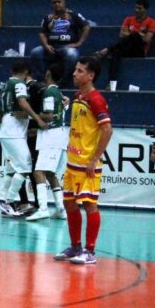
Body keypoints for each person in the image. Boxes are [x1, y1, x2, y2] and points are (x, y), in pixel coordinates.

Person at [53, 56, 113, 265]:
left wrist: (94, 158)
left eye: (79, 71)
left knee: (89, 205)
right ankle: (76, 246)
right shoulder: (78, 96)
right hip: (72, 163)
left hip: (88, 164)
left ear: (90, 76)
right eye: (75, 70)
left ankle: (90, 251)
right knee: (68, 203)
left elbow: (107, 129)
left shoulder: (96, 100)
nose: (74, 74)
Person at [0, 61, 47, 217]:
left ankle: (5, 200)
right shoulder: (19, 83)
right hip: (14, 131)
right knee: (25, 167)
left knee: (12, 169)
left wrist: (2, 125)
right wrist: (37, 119)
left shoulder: (5, 86)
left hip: (7, 128)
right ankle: (8, 202)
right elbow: (22, 102)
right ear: (26, 71)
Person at [26, 65, 68, 221]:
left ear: (48, 73)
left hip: (51, 136)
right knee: (50, 174)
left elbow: (49, 116)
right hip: (56, 135)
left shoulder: (49, 91)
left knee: (38, 171)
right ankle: (61, 209)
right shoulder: (57, 92)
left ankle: (43, 208)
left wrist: (31, 116)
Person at [29, 0, 90, 88]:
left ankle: (63, 82)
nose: (57, 4)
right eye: (54, 2)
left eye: (59, 2)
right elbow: (42, 33)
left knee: (72, 55)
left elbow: (87, 26)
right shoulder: (48, 17)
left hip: (67, 46)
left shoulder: (73, 15)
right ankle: (42, 81)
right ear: (51, 5)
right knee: (35, 52)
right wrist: (46, 45)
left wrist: (79, 43)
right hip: (51, 46)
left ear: (64, 2)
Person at [95, 0, 155, 87]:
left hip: (139, 51)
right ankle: (112, 85)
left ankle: (107, 49)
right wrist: (140, 34)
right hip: (127, 48)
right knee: (116, 53)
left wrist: (136, 34)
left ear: (145, 9)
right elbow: (121, 34)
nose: (137, 10)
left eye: (140, 8)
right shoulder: (128, 19)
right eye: (136, 8)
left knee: (134, 35)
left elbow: (146, 39)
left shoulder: (151, 22)